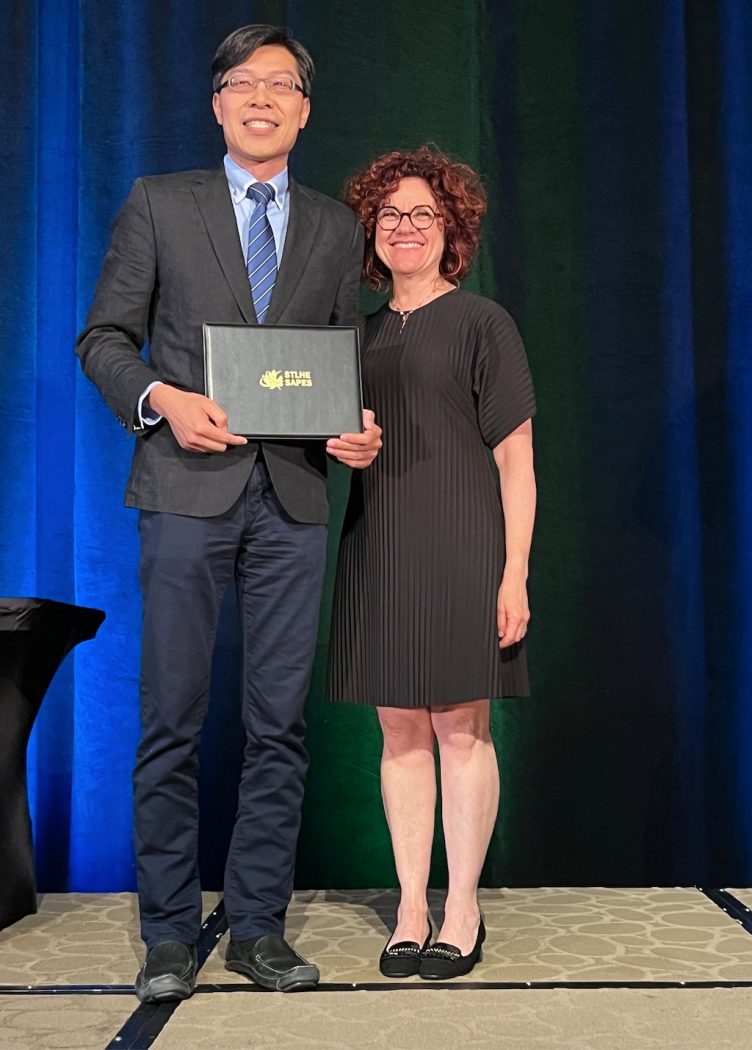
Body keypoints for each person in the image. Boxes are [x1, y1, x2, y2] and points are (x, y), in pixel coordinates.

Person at [76, 24, 381, 1002]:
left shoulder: (336, 227)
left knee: (279, 728)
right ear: (218, 103)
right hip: (183, 494)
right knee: (171, 717)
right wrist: (162, 399)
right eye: (244, 83)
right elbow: (104, 339)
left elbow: (340, 362)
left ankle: (258, 930)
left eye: (282, 84)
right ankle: (167, 936)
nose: (263, 97)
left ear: (303, 106)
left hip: (292, 498)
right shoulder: (161, 203)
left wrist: (354, 429)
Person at [327, 147, 536, 980]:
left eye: (422, 215)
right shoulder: (357, 332)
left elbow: (517, 455)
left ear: (450, 230)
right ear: (370, 233)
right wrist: (341, 446)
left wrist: (514, 571)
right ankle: (410, 907)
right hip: (377, 542)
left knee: (460, 726)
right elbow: (330, 434)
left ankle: (462, 907)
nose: (404, 228)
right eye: (389, 216)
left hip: (464, 542)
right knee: (398, 729)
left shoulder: (485, 322)